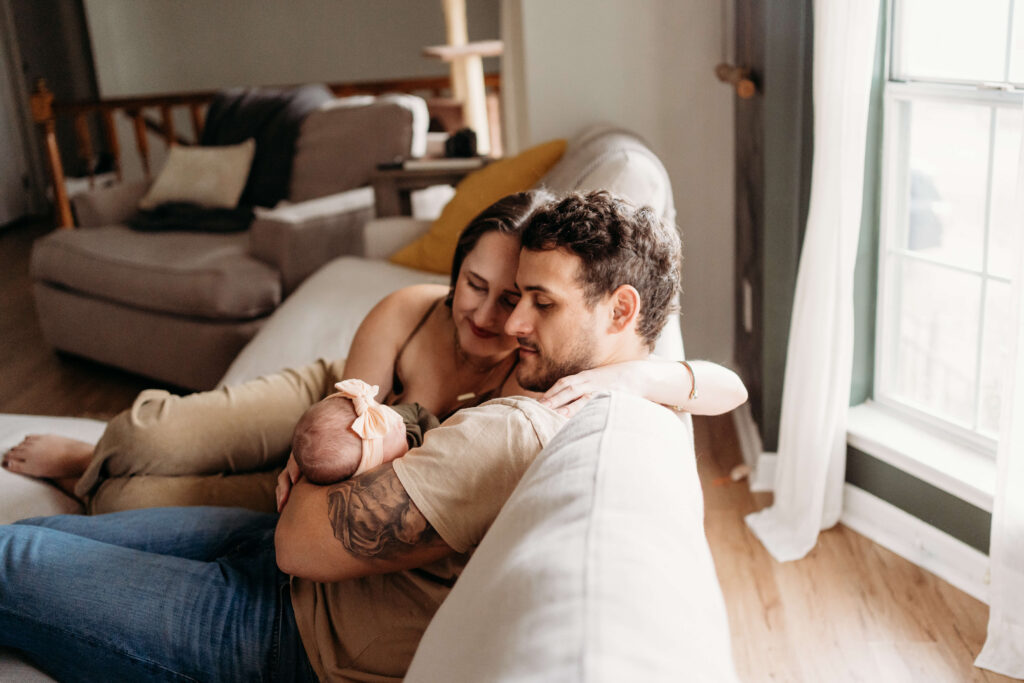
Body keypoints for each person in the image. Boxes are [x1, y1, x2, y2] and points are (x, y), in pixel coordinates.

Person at [0, 190, 746, 681]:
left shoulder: (520, 423)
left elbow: (299, 536)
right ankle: (95, 467)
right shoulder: (587, 372)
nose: (511, 323)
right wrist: (655, 378)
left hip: (281, 632)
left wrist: (332, 460)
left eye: (537, 303)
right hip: (282, 562)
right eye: (500, 295)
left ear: (620, 311)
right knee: (51, 526)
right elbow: (721, 382)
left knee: (16, 553)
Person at [1, 190, 746, 515]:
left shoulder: (540, 363)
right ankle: (93, 451)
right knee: (144, 435)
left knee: (133, 500)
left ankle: (93, 480)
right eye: (473, 285)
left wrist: (657, 370)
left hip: (350, 475)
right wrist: (329, 421)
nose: (491, 315)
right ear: (451, 276)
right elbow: (348, 400)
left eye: (518, 296)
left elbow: (724, 386)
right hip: (326, 399)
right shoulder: (410, 306)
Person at [289, 379, 438, 488]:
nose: (397, 420)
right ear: (374, 466)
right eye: (384, 426)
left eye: (382, 409)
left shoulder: (400, 424)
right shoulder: (389, 482)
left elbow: (417, 411)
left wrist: (436, 438)